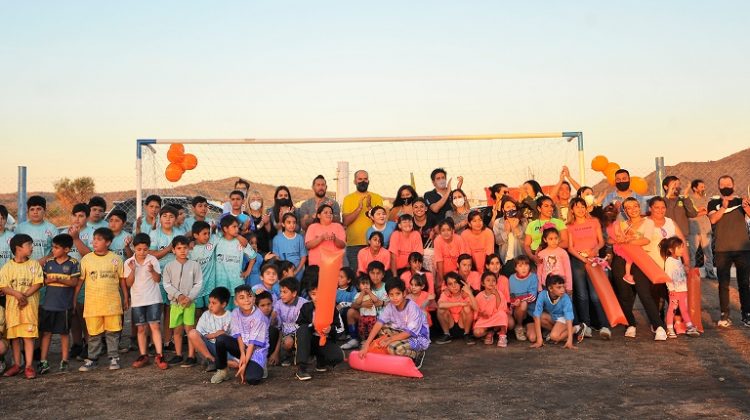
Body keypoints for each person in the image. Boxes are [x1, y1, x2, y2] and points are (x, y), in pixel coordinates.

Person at [610, 198, 668, 340]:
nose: (633, 209)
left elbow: (646, 240)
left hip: (639, 259)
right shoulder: (621, 224)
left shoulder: (648, 222)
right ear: (625, 211)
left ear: (639, 207)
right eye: (629, 207)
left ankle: (659, 326)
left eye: (635, 206)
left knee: (644, 292)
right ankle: (630, 324)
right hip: (621, 260)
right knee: (624, 294)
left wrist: (627, 241)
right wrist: (619, 240)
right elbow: (611, 240)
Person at [76, 228, 128, 371]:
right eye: (94, 239)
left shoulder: (116, 259)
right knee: (94, 333)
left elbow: (122, 280)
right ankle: (92, 359)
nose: (95, 242)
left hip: (112, 304)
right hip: (93, 305)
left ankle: (113, 358)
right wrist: (74, 298)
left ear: (108, 242)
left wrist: (125, 297)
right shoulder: (86, 259)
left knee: (112, 333)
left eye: (99, 239)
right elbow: (80, 281)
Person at [708, 175, 750, 327]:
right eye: (722, 184)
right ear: (718, 186)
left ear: (734, 185)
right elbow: (713, 220)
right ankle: (724, 315)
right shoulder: (713, 203)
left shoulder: (741, 202)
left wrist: (746, 207)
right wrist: (724, 207)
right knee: (723, 284)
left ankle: (747, 314)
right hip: (722, 250)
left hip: (743, 249)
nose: (725, 186)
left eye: (728, 183)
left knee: (744, 283)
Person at [0, 234, 44, 379]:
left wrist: (23, 296)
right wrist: (17, 295)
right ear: (19, 248)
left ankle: (29, 366)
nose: (32, 247)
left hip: (29, 308)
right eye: (29, 245)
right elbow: (4, 287)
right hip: (13, 310)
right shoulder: (7, 267)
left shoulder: (34, 265)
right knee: (15, 338)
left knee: (28, 337)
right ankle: (17, 364)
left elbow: (38, 283)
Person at [566, 197, 610, 339]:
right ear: (572, 210)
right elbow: (570, 247)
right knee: (582, 295)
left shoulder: (594, 222)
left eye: (582, 206)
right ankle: (586, 325)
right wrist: (582, 258)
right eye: (577, 207)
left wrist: (594, 251)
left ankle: (604, 325)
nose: (580, 209)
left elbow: (601, 241)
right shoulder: (569, 226)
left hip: (594, 260)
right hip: (578, 261)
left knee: (595, 295)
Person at [359, 278, 430, 365]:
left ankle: (417, 354)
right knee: (382, 329)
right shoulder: (390, 306)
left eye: (398, 294)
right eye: (391, 295)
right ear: (388, 295)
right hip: (403, 332)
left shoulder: (412, 307)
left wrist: (389, 340)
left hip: (418, 338)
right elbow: (379, 323)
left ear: (404, 293)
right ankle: (397, 347)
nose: (395, 298)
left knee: (393, 348)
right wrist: (367, 344)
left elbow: (409, 332)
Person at [210, 285, 269, 385]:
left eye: (249, 296)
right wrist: (242, 354)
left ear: (254, 299)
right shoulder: (235, 313)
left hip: (256, 352)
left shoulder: (259, 317)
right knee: (221, 339)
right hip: (244, 347)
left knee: (252, 379)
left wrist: (244, 364)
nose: (246, 300)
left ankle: (261, 366)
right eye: (242, 297)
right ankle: (223, 371)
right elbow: (239, 337)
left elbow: (252, 344)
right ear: (236, 302)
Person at [125, 233, 168, 370]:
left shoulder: (153, 260)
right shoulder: (129, 262)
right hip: (138, 300)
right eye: (139, 249)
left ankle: (159, 354)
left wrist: (152, 271)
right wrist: (132, 271)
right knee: (141, 328)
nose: (142, 252)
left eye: (145, 249)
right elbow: (129, 283)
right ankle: (143, 355)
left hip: (153, 299)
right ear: (134, 248)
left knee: (155, 326)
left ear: (148, 248)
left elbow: (157, 279)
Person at [38, 234, 80, 374]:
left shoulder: (73, 263)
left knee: (64, 333)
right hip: (48, 305)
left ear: (67, 249)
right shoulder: (49, 263)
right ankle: (43, 361)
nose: (53, 250)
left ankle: (65, 360)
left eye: (56, 247)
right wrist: (48, 281)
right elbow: (43, 281)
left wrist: (59, 280)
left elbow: (74, 283)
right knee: (46, 333)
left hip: (64, 306)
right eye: (53, 247)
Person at [163, 235, 203, 367]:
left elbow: (198, 283)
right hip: (175, 304)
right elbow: (167, 284)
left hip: (190, 304)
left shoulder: (195, 265)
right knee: (177, 330)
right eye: (179, 248)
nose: (182, 251)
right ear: (173, 250)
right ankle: (178, 354)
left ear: (189, 249)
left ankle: (192, 356)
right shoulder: (169, 266)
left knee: (190, 330)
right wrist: (179, 296)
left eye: (185, 248)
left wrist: (189, 297)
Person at [294, 277, 345, 381]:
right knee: (303, 330)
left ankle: (321, 361)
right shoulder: (306, 307)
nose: (317, 297)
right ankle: (302, 368)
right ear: (309, 294)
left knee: (338, 356)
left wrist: (331, 329)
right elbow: (298, 326)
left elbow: (340, 329)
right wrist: (312, 326)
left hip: (324, 341)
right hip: (309, 341)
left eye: (320, 294)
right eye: (313, 294)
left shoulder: (331, 309)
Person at [148, 205, 180, 344]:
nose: (168, 219)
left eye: (171, 216)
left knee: (170, 309)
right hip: (157, 278)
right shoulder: (154, 234)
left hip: (174, 278)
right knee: (156, 309)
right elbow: (152, 254)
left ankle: (167, 341)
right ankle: (153, 341)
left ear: (176, 219)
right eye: (164, 216)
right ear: (159, 218)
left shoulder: (178, 235)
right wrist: (169, 248)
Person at [341, 261, 389, 350]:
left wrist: (381, 303)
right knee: (350, 312)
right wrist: (363, 304)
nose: (375, 276)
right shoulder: (363, 285)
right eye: (372, 273)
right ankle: (354, 339)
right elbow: (353, 305)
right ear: (368, 274)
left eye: (378, 273)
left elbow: (387, 303)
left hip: (382, 321)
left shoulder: (387, 287)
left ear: (383, 274)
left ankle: (371, 341)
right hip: (365, 318)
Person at [342, 170, 384, 272]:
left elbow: (380, 221)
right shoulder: (348, 198)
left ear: (368, 181)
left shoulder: (377, 197)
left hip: (375, 243)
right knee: (357, 276)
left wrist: (369, 207)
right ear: (354, 181)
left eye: (365, 179)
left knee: (375, 274)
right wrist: (359, 208)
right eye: (360, 179)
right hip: (354, 245)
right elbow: (346, 221)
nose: (363, 181)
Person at [659, 237, 700, 338]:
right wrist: (671, 288)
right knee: (672, 309)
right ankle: (669, 328)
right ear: (671, 250)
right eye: (679, 248)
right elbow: (668, 276)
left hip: (682, 290)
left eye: (682, 247)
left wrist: (685, 270)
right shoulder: (669, 261)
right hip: (675, 291)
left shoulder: (678, 260)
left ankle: (689, 326)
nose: (682, 250)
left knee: (684, 309)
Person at [215, 215, 257, 308]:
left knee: (237, 313)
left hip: (237, 284)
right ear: (225, 229)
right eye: (234, 227)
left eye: (237, 226)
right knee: (223, 313)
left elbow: (253, 257)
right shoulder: (217, 240)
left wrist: (247, 272)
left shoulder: (241, 242)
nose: (237, 229)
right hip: (221, 285)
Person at [187, 286, 233, 372]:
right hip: (209, 348)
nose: (210, 306)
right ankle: (211, 360)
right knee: (192, 333)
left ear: (223, 304)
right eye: (209, 302)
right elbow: (199, 334)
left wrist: (225, 335)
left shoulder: (231, 316)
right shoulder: (205, 315)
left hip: (225, 350)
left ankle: (222, 362)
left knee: (238, 361)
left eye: (214, 303)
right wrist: (214, 335)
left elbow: (235, 339)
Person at [530, 275, 581, 350]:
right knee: (540, 317)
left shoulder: (565, 297)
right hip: (553, 317)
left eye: (563, 287)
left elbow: (569, 318)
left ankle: (577, 328)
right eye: (559, 287)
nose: (563, 290)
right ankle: (559, 334)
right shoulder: (542, 295)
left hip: (564, 318)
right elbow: (536, 315)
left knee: (554, 336)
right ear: (550, 288)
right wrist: (539, 340)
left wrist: (570, 341)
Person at [268, 277, 308, 367]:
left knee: (290, 340)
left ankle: (305, 354)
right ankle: (288, 354)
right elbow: (278, 327)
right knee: (286, 341)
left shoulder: (304, 304)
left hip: (301, 335)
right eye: (281, 291)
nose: (281, 295)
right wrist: (273, 318)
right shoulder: (278, 303)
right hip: (285, 335)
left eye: (285, 292)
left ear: (294, 293)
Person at [435, 272, 477, 345]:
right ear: (447, 286)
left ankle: (466, 334)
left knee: (467, 308)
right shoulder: (445, 294)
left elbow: (476, 308)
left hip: (463, 325)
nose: (454, 286)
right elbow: (440, 305)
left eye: (456, 282)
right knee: (441, 309)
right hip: (450, 325)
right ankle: (446, 334)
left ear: (460, 283)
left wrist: (470, 293)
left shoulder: (465, 293)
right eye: (450, 284)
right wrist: (459, 303)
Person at [524, 196, 568, 263]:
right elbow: (526, 245)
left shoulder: (559, 222)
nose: (550, 209)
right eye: (546, 206)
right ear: (539, 208)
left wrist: (546, 248)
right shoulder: (531, 224)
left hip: (554, 254)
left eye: (551, 206)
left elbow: (565, 243)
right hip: (535, 255)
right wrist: (532, 257)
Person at [687, 179, 716, 278]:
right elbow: (689, 213)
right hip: (694, 229)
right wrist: (700, 211)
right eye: (701, 187)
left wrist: (698, 211)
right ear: (695, 188)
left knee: (708, 252)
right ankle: (690, 272)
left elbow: (708, 211)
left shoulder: (706, 199)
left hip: (706, 228)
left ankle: (709, 271)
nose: (703, 188)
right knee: (692, 252)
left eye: (704, 186)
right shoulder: (689, 199)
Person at [15, 195, 56, 265]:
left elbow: (57, 250)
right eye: (32, 209)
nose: (35, 212)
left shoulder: (52, 228)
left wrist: (43, 261)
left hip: (45, 267)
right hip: (24, 267)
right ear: (28, 211)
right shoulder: (20, 228)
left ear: (45, 210)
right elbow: (16, 250)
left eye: (39, 209)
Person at [305, 204, 347, 270]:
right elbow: (308, 245)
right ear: (319, 215)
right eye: (325, 212)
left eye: (331, 213)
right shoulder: (312, 227)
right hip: (316, 266)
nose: (329, 214)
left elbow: (343, 245)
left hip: (335, 265)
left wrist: (335, 239)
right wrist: (321, 238)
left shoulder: (338, 226)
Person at [493, 197, 527, 277]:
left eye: (513, 206)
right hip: (505, 260)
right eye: (508, 207)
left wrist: (515, 228)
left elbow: (525, 240)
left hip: (521, 260)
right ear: (503, 210)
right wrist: (506, 231)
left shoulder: (523, 220)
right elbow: (497, 241)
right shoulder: (498, 222)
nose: (511, 209)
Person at [473, 271, 509, 347]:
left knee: (502, 315)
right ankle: (490, 332)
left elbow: (501, 308)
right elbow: (476, 310)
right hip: (484, 319)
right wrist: (481, 314)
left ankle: (502, 336)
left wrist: (496, 295)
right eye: (488, 280)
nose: (491, 282)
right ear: (483, 283)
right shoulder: (479, 296)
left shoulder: (499, 293)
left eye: (493, 280)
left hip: (496, 318)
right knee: (476, 333)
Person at [189, 221, 216, 317]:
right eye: (204, 234)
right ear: (195, 235)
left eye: (208, 233)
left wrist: (214, 227)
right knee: (197, 313)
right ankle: (197, 331)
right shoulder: (189, 250)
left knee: (211, 312)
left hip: (210, 287)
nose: (207, 236)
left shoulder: (212, 242)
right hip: (196, 288)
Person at [434, 219, 469, 291]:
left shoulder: (459, 239)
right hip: (443, 272)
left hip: (457, 272)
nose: (446, 233)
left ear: (453, 230)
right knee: (439, 288)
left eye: (448, 230)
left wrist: (459, 278)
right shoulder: (437, 240)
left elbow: (462, 261)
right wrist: (442, 280)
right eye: (443, 230)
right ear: (440, 232)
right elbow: (439, 261)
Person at [508, 255, 538, 342]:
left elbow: (533, 296)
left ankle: (527, 327)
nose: (524, 268)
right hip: (518, 311)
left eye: (526, 265)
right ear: (516, 268)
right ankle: (519, 326)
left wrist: (520, 299)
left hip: (530, 312)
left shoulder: (533, 277)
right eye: (520, 266)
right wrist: (514, 302)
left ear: (529, 266)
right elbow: (511, 296)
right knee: (523, 304)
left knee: (532, 338)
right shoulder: (512, 278)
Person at [536, 227, 573, 295]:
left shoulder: (563, 252)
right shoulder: (541, 254)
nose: (554, 241)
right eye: (551, 239)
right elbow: (539, 272)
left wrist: (569, 287)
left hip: (561, 285)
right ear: (545, 239)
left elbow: (568, 270)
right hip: (546, 285)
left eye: (556, 238)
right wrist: (539, 287)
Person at [662, 176, 697, 245]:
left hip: (683, 238)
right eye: (674, 184)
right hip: (667, 237)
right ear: (666, 187)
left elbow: (692, 214)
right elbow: (661, 210)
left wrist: (686, 196)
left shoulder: (683, 200)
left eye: (678, 184)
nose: (677, 187)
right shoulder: (661, 201)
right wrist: (668, 194)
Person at [272, 213, 308, 281]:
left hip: (299, 272)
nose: (292, 225)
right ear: (283, 224)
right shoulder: (277, 239)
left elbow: (303, 257)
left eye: (294, 222)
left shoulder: (299, 238)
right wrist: (286, 272)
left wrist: (296, 272)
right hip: (284, 274)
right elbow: (276, 257)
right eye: (289, 222)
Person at [0, 205, 13, 269]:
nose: (0, 221)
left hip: (7, 276)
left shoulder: (12, 237)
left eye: (2, 218)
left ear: (6, 219)